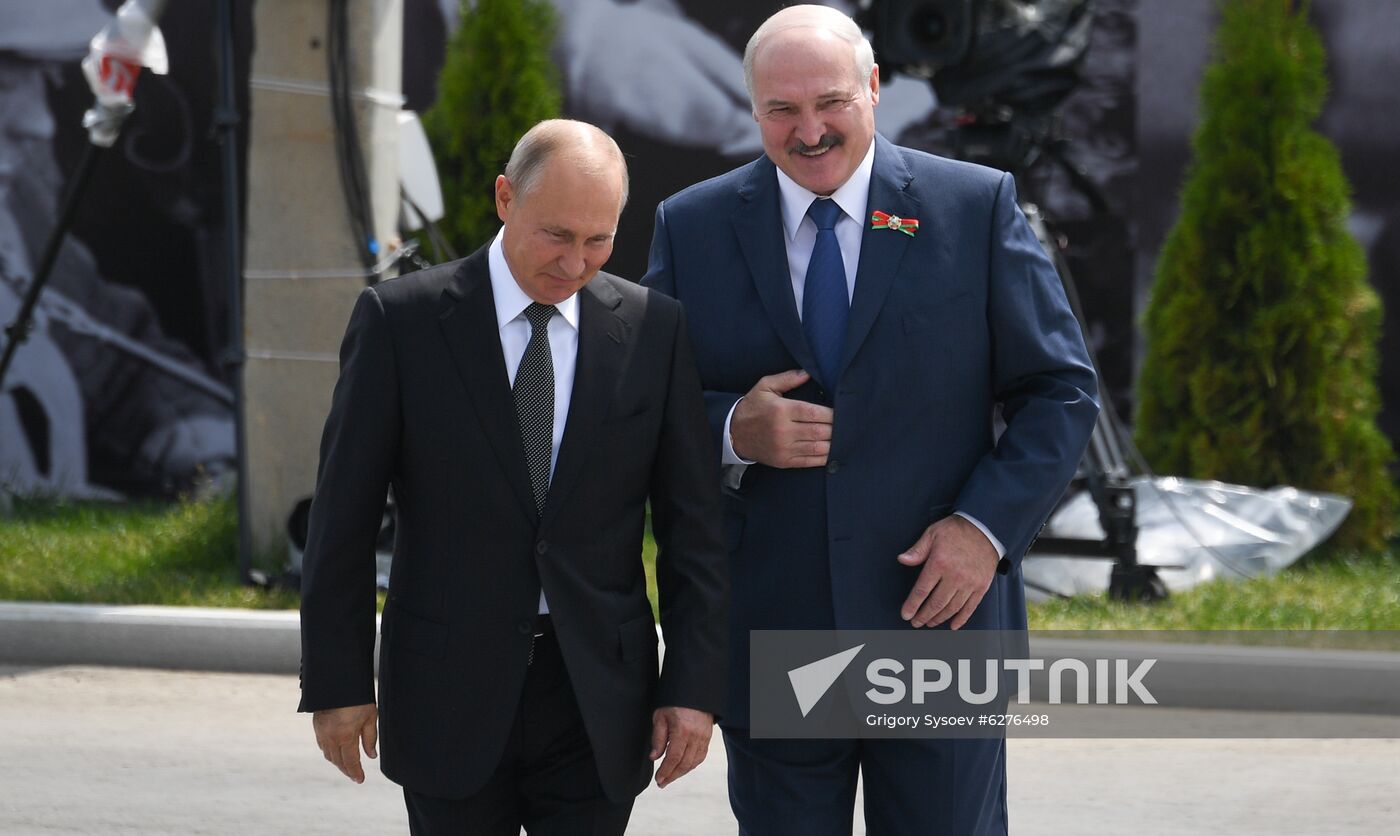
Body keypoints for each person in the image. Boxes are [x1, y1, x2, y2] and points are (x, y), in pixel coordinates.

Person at [641, 6, 1099, 835]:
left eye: (831, 103)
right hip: (775, 631)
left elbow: (1060, 390)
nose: (808, 130)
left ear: (875, 89)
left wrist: (983, 531)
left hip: (939, 627)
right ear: (753, 110)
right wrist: (731, 429)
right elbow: (643, 405)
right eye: (782, 110)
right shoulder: (693, 225)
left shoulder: (974, 207)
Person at [299, 119, 728, 835]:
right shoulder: (401, 322)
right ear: (505, 197)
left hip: (597, 697)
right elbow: (341, 519)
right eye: (557, 236)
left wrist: (692, 686)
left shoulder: (655, 331)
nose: (576, 263)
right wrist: (338, 682)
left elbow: (693, 530)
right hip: (446, 689)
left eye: (600, 240)